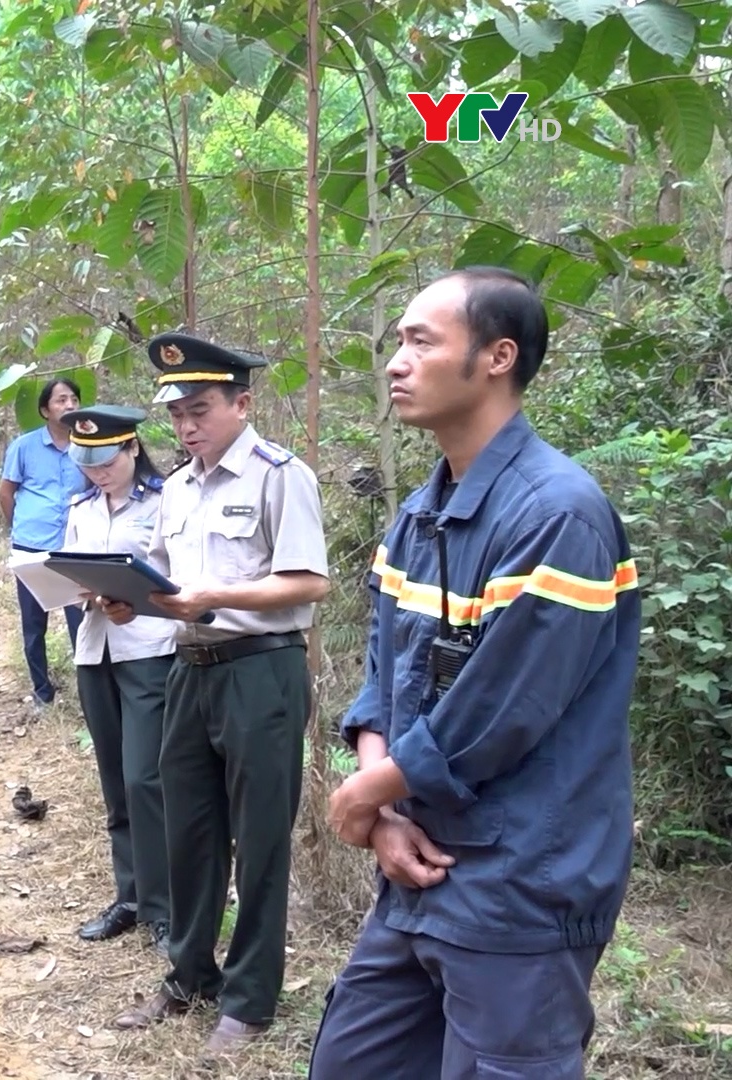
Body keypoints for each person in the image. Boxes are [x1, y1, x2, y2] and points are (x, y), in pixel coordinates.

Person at [310, 269, 640, 1077]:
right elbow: (384, 676)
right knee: (352, 1061)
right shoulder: (419, 515)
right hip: (416, 859)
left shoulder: (558, 513)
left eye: (421, 341)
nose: (396, 361)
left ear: (497, 357)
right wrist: (381, 809)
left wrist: (361, 795)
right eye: (397, 342)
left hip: (520, 880)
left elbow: (505, 709)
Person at [103, 333, 328, 1055]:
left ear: (243, 403)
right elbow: (166, 585)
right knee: (188, 831)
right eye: (177, 416)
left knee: (259, 837)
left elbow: (308, 582)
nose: (188, 426)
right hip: (188, 670)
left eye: (200, 409)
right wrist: (123, 601)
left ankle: (250, 997)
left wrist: (215, 595)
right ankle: (188, 974)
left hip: (262, 671)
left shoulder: (279, 476)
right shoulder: (176, 487)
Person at [58, 405, 177, 956]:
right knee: (114, 781)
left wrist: (132, 594)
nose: (98, 473)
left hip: (147, 649)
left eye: (106, 461)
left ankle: (164, 904)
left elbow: (176, 576)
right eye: (88, 463)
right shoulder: (81, 506)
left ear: (131, 449)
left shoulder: (162, 502)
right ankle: (129, 896)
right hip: (95, 647)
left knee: (145, 778)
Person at [0, 378, 90, 704]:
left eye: (73, 400)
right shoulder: (24, 446)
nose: (69, 406)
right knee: (34, 624)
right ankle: (41, 690)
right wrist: (20, 529)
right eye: (60, 400)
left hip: (76, 547)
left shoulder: (89, 445)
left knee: (82, 620)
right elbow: (5, 493)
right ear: (44, 410)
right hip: (32, 546)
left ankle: (89, 691)